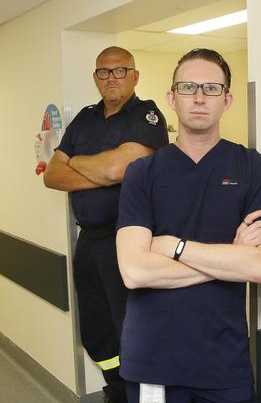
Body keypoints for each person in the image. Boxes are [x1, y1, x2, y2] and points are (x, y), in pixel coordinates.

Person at [115, 48, 261, 403]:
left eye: (212, 88)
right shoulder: (142, 173)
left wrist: (175, 247)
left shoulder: (253, 168)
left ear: (228, 100)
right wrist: (232, 260)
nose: (200, 97)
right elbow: (134, 271)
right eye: (189, 87)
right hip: (152, 361)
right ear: (171, 98)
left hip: (223, 361)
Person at [44, 46, 169, 402]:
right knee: (98, 329)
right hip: (88, 244)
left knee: (134, 327)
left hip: (128, 241)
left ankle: (143, 395)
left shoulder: (147, 117)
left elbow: (118, 169)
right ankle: (117, 390)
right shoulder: (83, 119)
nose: (111, 78)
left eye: (119, 71)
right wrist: (104, 171)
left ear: (134, 76)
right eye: (103, 72)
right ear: (95, 78)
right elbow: (52, 175)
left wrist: (80, 162)